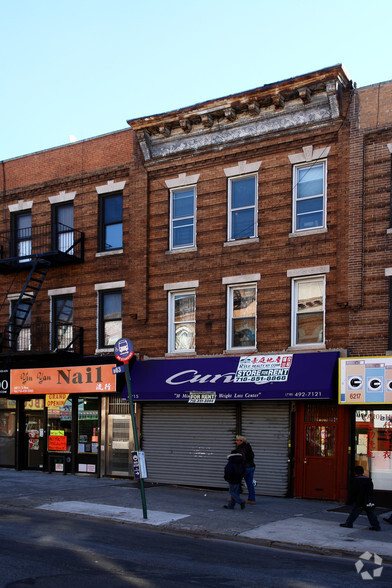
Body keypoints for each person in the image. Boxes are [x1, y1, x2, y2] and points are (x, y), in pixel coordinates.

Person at [340, 465, 381, 531]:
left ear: (355, 472)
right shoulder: (368, 480)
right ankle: (376, 526)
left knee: (354, 512)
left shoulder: (356, 481)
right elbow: (371, 491)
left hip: (359, 500)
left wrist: (350, 501)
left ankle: (349, 523)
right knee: (370, 512)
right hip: (367, 499)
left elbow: (353, 492)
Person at [235, 435, 256, 504]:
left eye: (238, 440)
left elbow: (242, 459)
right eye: (236, 440)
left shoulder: (241, 448)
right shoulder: (248, 447)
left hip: (245, 467)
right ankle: (251, 499)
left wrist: (240, 467)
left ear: (242, 441)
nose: (236, 441)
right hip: (251, 467)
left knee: (236, 481)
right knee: (250, 483)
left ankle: (235, 498)